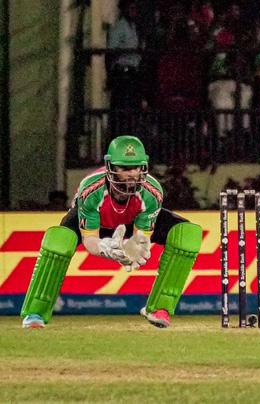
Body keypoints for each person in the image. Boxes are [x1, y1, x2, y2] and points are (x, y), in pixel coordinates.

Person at [21, 136, 203, 329]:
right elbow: (90, 240)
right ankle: (36, 312)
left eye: (136, 167)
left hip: (131, 221)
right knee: (59, 241)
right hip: (98, 222)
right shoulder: (92, 189)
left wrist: (133, 249)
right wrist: (104, 248)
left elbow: (141, 238)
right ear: (111, 167)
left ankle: (159, 308)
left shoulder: (152, 192)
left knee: (187, 234)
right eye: (125, 168)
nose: (132, 174)